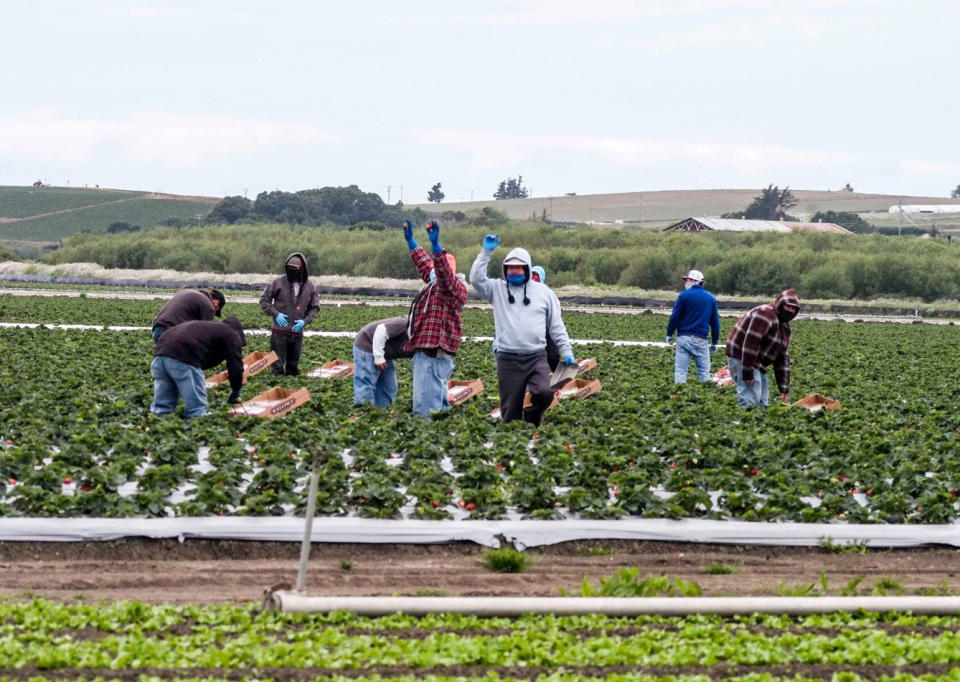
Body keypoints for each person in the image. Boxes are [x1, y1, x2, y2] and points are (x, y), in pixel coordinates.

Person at [470, 234, 576, 426]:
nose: (515, 271)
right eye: (511, 267)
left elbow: (556, 325)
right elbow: (476, 279)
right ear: (505, 269)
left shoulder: (544, 293)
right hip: (508, 358)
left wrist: (566, 351)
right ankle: (514, 440)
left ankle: (532, 420)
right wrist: (486, 252)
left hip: (536, 357)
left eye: (519, 267)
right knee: (510, 410)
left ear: (527, 268)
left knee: (544, 393)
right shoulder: (497, 289)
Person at [401, 219, 468, 419]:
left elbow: (442, 273)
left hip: (435, 352)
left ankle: (427, 439)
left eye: (437, 269)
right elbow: (425, 266)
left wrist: (437, 247)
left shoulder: (455, 288)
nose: (432, 272)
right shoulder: (434, 284)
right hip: (427, 350)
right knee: (437, 399)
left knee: (425, 404)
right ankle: (442, 432)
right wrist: (411, 242)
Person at [151, 317, 246, 419]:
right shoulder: (231, 334)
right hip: (184, 356)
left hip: (159, 356)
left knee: (162, 409)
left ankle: (157, 423)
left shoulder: (210, 328)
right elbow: (235, 365)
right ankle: (196, 427)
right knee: (196, 411)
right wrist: (236, 389)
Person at [725, 289, 800, 408]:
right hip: (741, 357)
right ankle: (744, 423)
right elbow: (750, 343)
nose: (790, 311)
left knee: (762, 401)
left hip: (757, 363)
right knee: (750, 398)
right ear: (780, 304)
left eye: (793, 309)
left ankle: (756, 421)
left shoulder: (785, 328)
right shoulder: (765, 314)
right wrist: (747, 372)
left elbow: (782, 358)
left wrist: (784, 389)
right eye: (787, 307)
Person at [259, 253, 320, 376]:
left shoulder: (310, 286)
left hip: (297, 333)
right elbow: (264, 301)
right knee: (277, 369)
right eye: (289, 268)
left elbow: (315, 308)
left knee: (293, 369)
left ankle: (292, 390)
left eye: (295, 269)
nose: (292, 272)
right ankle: (277, 390)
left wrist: (305, 321)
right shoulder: (278, 282)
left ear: (302, 269)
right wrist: (276, 314)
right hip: (279, 333)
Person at [665, 269, 721, 383]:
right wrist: (715, 342)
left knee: (681, 371)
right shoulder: (710, 298)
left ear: (695, 281)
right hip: (701, 339)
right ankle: (705, 397)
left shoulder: (683, 295)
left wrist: (669, 334)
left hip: (683, 338)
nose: (686, 282)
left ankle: (678, 396)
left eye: (688, 279)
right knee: (704, 372)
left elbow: (675, 316)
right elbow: (715, 322)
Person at [353, 315, 413, 408]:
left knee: (389, 387)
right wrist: (379, 358)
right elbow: (381, 330)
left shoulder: (431, 337)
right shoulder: (406, 322)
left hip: (386, 353)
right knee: (366, 384)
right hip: (367, 344)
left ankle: (381, 415)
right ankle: (363, 414)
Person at [152, 288, 225, 342]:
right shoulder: (208, 306)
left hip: (157, 329)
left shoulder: (190, 293)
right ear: (216, 303)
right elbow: (205, 335)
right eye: (217, 309)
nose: (215, 310)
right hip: (170, 333)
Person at [530, 265, 561, 372]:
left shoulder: (549, 293)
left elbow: (556, 312)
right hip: (531, 330)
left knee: (553, 356)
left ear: (541, 278)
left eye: (536, 276)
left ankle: (559, 378)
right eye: (532, 275)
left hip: (547, 328)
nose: (533, 278)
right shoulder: (524, 292)